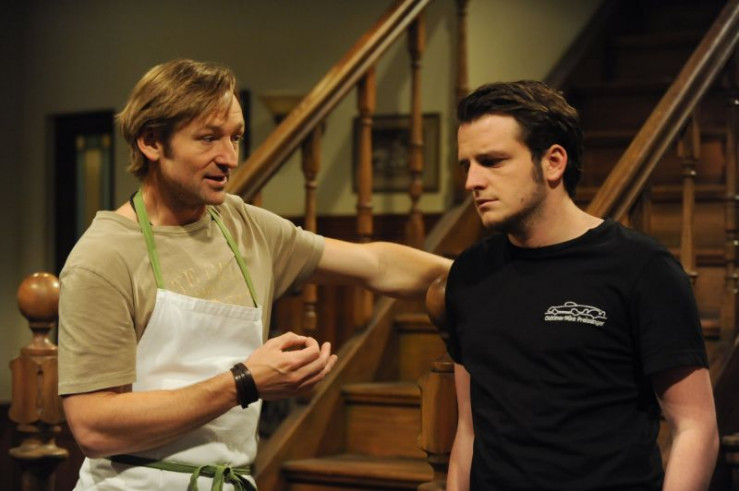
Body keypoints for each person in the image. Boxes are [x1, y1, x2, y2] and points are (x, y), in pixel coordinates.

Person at [57, 58, 452, 491]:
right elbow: (95, 427)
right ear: (151, 142)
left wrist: (480, 275)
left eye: (236, 137)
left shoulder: (244, 227)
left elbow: (378, 266)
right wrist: (245, 382)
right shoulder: (104, 256)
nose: (229, 158)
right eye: (209, 138)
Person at [444, 81, 718, 490]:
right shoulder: (470, 272)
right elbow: (468, 429)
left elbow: (695, 426)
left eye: (492, 161)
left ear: (553, 162)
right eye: (466, 165)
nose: (472, 181)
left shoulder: (641, 267)